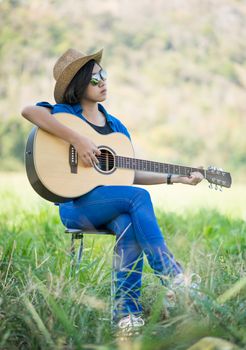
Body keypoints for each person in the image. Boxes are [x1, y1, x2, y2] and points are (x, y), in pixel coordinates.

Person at [21, 48, 204, 333]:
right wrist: (78, 140)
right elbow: (29, 111)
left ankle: (126, 315)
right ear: (78, 85)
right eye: (95, 79)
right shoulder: (65, 114)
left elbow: (127, 173)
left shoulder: (116, 128)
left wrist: (174, 178)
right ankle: (173, 275)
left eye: (103, 75)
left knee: (128, 223)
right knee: (138, 199)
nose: (103, 81)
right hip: (74, 206)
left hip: (112, 204)